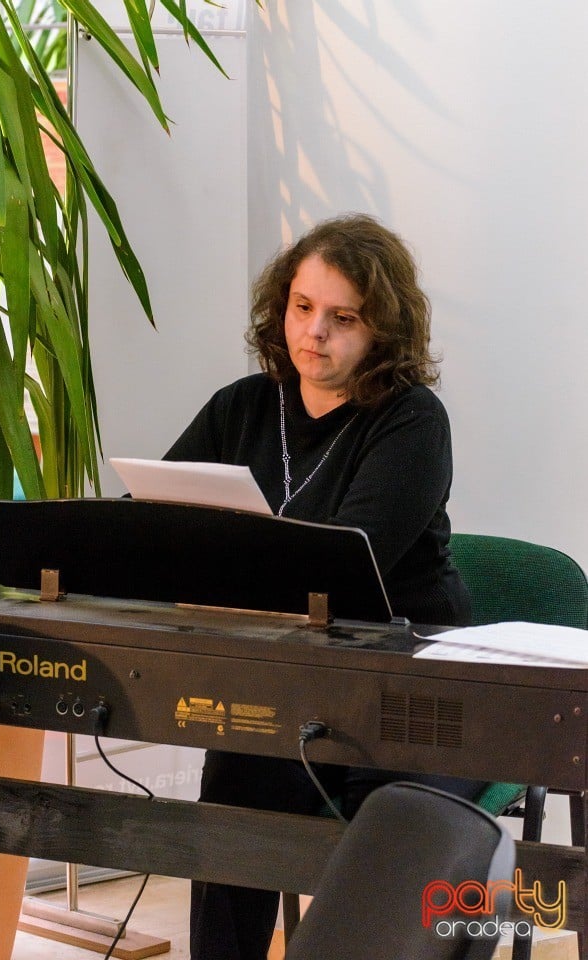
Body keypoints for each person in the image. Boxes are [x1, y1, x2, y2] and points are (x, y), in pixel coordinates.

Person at [163, 213, 483, 960]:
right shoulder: (243, 406)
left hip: (414, 682)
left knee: (396, 834)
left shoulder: (412, 420)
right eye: (303, 307)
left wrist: (225, 567)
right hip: (297, 677)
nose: (314, 332)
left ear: (382, 330)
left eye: (344, 318)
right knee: (234, 794)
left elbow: (344, 565)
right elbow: (157, 517)